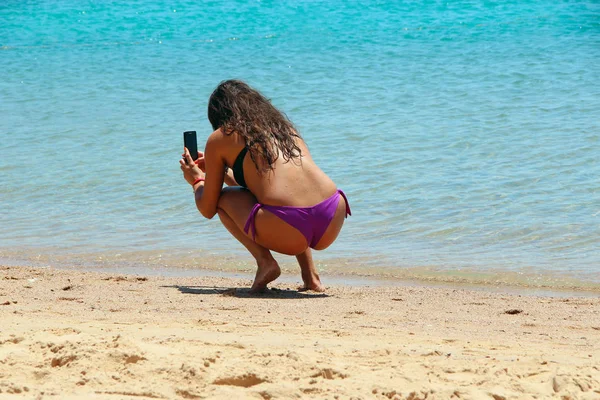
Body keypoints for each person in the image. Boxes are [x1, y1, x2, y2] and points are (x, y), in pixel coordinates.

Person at [179, 80, 350, 293]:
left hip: (291, 224)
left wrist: (196, 179)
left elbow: (207, 208)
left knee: (223, 200)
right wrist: (221, 172)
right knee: (291, 196)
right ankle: (311, 277)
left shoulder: (220, 137)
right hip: (333, 212)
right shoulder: (283, 127)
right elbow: (264, 189)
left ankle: (265, 263)